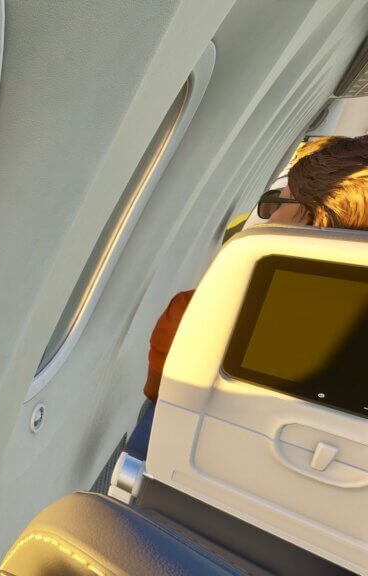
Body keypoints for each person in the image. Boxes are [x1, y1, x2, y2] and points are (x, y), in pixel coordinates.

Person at [125, 134, 368, 459]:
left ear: (312, 220)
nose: (269, 214)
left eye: (279, 202)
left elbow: (159, 391)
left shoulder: (203, 312)